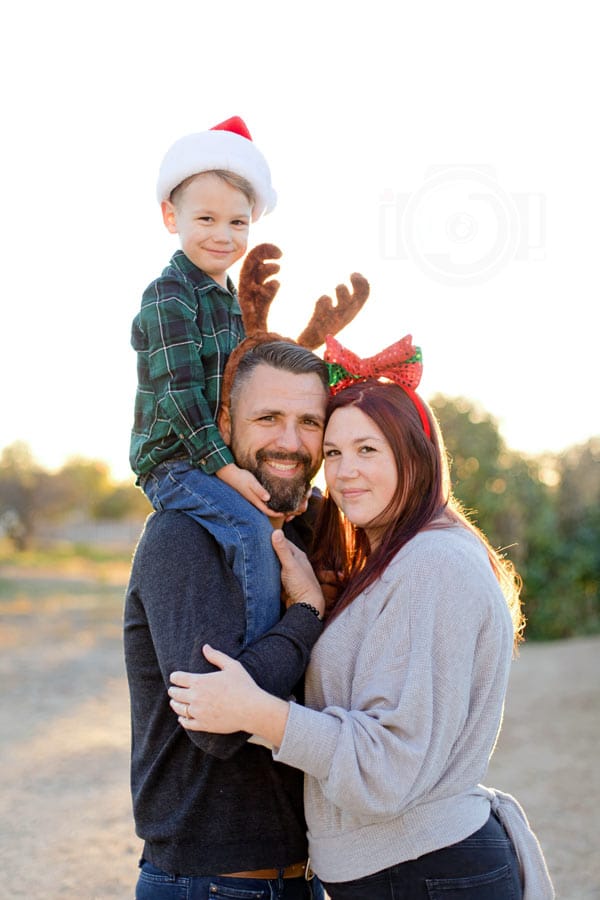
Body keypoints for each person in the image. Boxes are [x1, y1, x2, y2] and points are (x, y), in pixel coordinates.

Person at [168, 334, 555, 899]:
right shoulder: (396, 559)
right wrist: (310, 604)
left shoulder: (432, 564)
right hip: (404, 868)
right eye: (334, 453)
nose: (345, 473)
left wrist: (261, 713)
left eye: (368, 450)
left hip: (424, 871)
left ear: (416, 455)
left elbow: (387, 767)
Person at [125, 339, 330, 899]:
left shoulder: (309, 534)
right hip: (208, 884)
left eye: (309, 422)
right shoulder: (184, 536)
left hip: (301, 878)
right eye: (268, 418)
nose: (290, 442)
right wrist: (306, 612)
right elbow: (218, 723)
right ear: (224, 422)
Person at [130, 115, 285, 645]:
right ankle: (260, 664)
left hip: (221, 455)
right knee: (250, 529)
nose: (223, 236)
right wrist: (226, 469)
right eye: (207, 219)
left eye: (238, 223)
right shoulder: (169, 295)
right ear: (171, 216)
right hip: (175, 460)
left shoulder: (238, 305)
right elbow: (179, 396)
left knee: (293, 517)